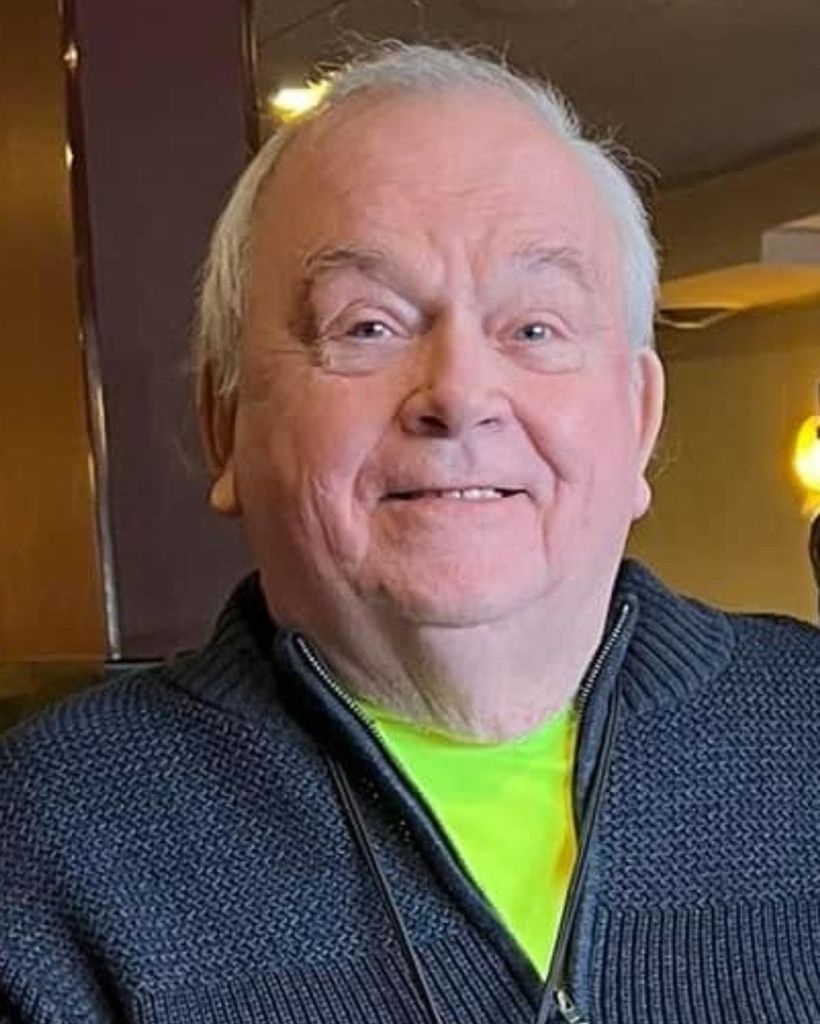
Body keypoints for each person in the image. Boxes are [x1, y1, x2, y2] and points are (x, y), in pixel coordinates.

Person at [1, 42, 819, 1024]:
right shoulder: (44, 850)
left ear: (639, 417)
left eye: (534, 328)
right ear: (225, 423)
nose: (461, 394)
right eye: (367, 327)